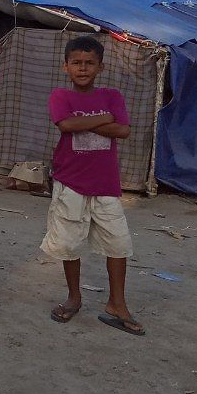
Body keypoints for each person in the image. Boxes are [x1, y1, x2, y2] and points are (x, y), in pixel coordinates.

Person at [42, 35, 143, 335]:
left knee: (118, 243)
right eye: (76, 63)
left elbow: (122, 130)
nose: (82, 68)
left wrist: (85, 120)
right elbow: (65, 125)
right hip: (70, 182)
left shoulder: (112, 95)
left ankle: (117, 303)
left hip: (106, 184)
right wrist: (103, 118)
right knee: (69, 243)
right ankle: (74, 297)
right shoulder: (61, 96)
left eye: (89, 63)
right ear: (65, 67)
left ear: (100, 67)